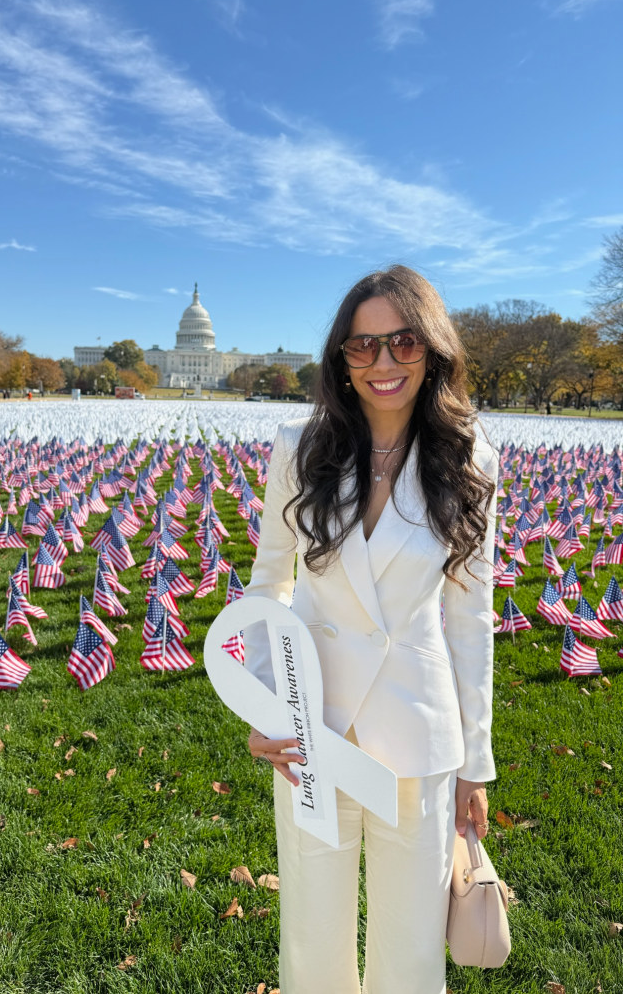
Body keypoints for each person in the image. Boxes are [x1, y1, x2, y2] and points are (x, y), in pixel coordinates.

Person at [244, 265, 497, 994]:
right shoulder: (298, 447)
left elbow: (468, 618)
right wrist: (265, 708)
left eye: (403, 341)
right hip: (312, 729)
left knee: (410, 956)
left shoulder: (471, 457)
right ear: (340, 358)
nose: (384, 363)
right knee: (313, 946)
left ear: (433, 348)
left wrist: (476, 762)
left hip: (417, 733)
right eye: (363, 346)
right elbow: (270, 588)